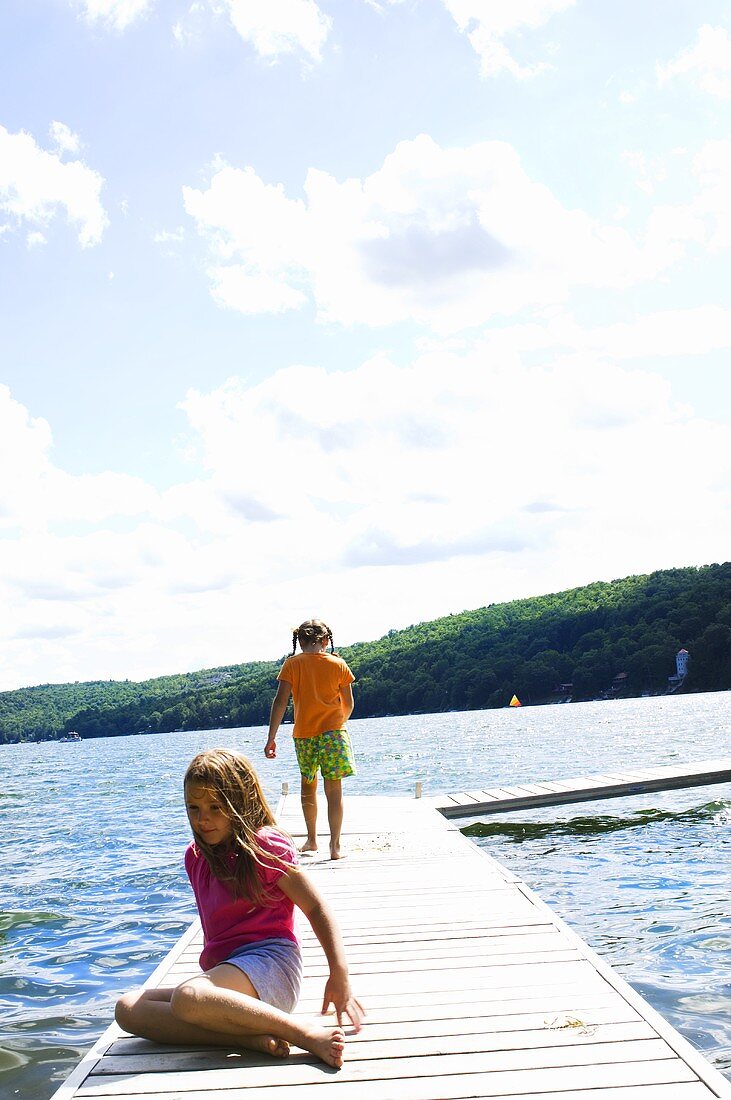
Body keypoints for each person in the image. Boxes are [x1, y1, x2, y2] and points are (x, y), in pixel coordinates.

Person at [115, 749, 363, 1068]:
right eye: (194, 808)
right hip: (231, 978)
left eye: (215, 808)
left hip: (272, 967)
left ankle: (303, 1033)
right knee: (128, 1007)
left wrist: (338, 972)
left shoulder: (266, 848)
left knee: (188, 997)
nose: (203, 819)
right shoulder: (196, 858)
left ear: (239, 803)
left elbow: (316, 907)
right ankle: (242, 1038)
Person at [265, 620, 355, 861]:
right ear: (326, 641)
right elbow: (348, 704)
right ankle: (335, 847)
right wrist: (338, 724)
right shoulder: (338, 664)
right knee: (333, 788)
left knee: (308, 784)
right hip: (334, 733)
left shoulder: (291, 665)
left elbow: (280, 702)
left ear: (300, 641)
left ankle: (312, 840)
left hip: (304, 734)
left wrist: (271, 738)